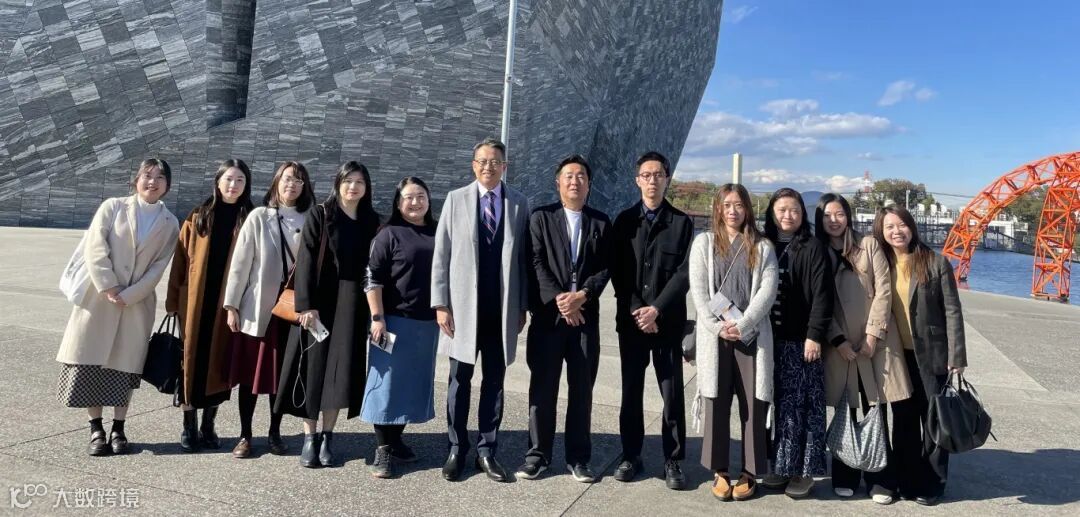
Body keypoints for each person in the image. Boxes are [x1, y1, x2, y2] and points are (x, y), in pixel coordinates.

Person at [56, 158, 180, 456]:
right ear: (136, 180)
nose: (152, 182)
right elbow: (94, 247)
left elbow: (159, 266)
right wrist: (109, 285)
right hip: (98, 300)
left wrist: (132, 294)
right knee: (92, 364)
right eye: (147, 175)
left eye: (160, 177)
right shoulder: (113, 207)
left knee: (124, 368)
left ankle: (119, 428)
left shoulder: (170, 223)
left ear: (167, 185)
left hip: (135, 306)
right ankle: (96, 429)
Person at [432, 137, 530, 482]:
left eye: (495, 161)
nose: (488, 167)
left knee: (495, 381)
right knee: (459, 380)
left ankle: (487, 451)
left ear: (505, 166)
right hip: (461, 310)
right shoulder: (456, 199)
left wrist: (522, 307)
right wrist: (441, 304)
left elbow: (524, 260)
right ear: (473, 165)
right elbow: (441, 253)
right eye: (482, 161)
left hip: (500, 311)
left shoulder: (519, 203)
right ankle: (456, 448)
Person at [275, 161, 380, 468]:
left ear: (367, 188)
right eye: (348, 181)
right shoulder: (320, 214)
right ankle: (309, 437)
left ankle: (328, 435)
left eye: (359, 182)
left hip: (353, 304)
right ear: (338, 183)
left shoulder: (372, 221)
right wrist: (306, 305)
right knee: (313, 367)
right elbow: (306, 260)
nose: (353, 187)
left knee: (339, 372)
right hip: (319, 302)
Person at [515, 155, 611, 483]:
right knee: (542, 388)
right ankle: (537, 455)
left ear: (589, 184)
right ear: (558, 182)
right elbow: (535, 261)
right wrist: (560, 300)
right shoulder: (541, 217)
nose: (575, 181)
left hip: (585, 318)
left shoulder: (600, 222)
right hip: (548, 319)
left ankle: (579, 458)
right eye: (569, 176)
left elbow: (605, 267)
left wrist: (582, 295)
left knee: (582, 390)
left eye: (581, 176)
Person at [815, 194, 912, 504]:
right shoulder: (817, 251)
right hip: (840, 342)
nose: (834, 220)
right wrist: (837, 339)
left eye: (839, 214)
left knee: (875, 407)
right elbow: (817, 300)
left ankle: (880, 477)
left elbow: (884, 290)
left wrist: (873, 334)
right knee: (847, 407)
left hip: (876, 342)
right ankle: (844, 474)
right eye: (827, 215)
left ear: (848, 216)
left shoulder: (868, 244)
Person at [610, 151, 694, 490]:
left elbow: (685, 274)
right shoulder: (624, 221)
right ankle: (631, 454)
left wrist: (656, 309)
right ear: (637, 180)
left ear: (667, 179)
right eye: (646, 175)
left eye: (658, 174)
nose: (652, 180)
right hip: (632, 325)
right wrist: (639, 311)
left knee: (671, 395)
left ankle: (673, 459)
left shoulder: (682, 223)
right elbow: (619, 273)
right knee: (631, 392)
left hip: (667, 325)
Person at [688, 183, 778, 501]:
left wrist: (744, 323)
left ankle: (750, 471)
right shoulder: (704, 243)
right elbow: (699, 290)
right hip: (716, 338)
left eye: (738, 205)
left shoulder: (762, 246)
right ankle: (720, 470)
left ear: (747, 209)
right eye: (726, 204)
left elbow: (768, 289)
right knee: (716, 401)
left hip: (751, 337)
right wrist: (717, 327)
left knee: (753, 403)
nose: (732, 211)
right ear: (718, 208)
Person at [874, 206, 967, 506]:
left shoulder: (935, 262)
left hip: (931, 354)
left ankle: (932, 484)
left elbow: (952, 310)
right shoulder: (882, 263)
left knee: (933, 420)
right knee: (903, 421)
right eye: (889, 227)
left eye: (901, 225)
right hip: (895, 356)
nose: (896, 231)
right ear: (881, 232)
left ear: (912, 227)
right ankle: (905, 479)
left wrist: (957, 355)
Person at [222, 161, 316, 458]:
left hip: (291, 311)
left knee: (281, 376)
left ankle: (275, 432)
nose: (292, 185)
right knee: (250, 375)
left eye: (298, 180)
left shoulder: (311, 218)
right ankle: (245, 434)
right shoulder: (259, 216)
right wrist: (231, 305)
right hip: (258, 307)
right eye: (287, 179)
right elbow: (240, 264)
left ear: (305, 186)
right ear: (277, 182)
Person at [166, 159, 254, 453]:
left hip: (227, 305)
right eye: (228, 179)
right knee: (190, 362)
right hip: (195, 303)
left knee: (219, 362)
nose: (233, 185)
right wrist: (173, 302)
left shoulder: (250, 218)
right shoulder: (198, 216)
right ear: (217, 182)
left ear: (246, 185)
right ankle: (189, 425)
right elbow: (180, 261)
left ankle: (208, 425)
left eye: (240, 180)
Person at [362, 177, 439, 479]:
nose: (415, 202)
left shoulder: (438, 231)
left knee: (411, 385)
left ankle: (395, 441)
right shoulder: (388, 234)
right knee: (386, 385)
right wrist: (377, 317)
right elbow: (372, 278)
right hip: (392, 321)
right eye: (408, 197)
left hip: (426, 323)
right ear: (398, 202)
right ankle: (383, 449)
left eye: (421, 196)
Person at [761, 187, 833, 498]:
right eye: (781, 210)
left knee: (804, 407)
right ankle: (781, 466)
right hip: (768, 340)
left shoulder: (812, 247)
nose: (788, 215)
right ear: (772, 213)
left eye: (794, 210)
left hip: (801, 342)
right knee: (779, 407)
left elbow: (822, 296)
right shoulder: (764, 244)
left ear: (803, 214)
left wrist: (814, 335)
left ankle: (804, 471)